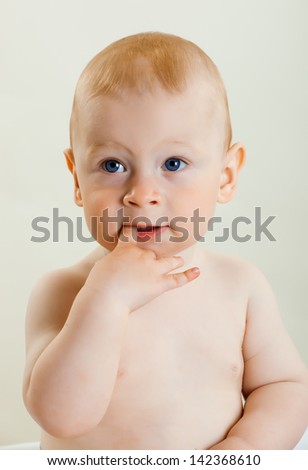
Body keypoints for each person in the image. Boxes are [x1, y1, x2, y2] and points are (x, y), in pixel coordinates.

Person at [23, 32, 308, 450]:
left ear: (226, 176)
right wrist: (106, 299)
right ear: (77, 180)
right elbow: (61, 418)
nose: (142, 192)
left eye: (173, 163)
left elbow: (284, 385)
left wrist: (246, 448)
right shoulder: (64, 292)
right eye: (113, 164)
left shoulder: (240, 286)